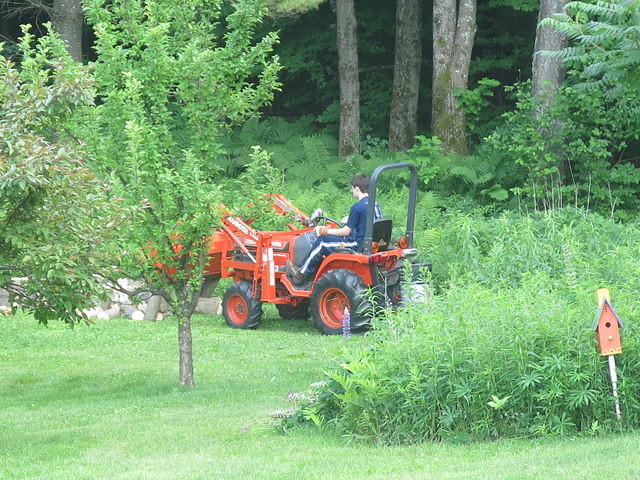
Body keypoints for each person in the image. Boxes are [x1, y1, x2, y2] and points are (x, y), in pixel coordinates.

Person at [285, 174, 382, 285]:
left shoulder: (357, 207)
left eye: (352, 188)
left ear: (357, 188)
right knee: (329, 239)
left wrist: (325, 231)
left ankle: (301, 273)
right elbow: (368, 222)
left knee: (322, 242)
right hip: (368, 243)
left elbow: (346, 231)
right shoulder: (375, 204)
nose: (352, 191)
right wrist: (350, 220)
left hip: (356, 245)